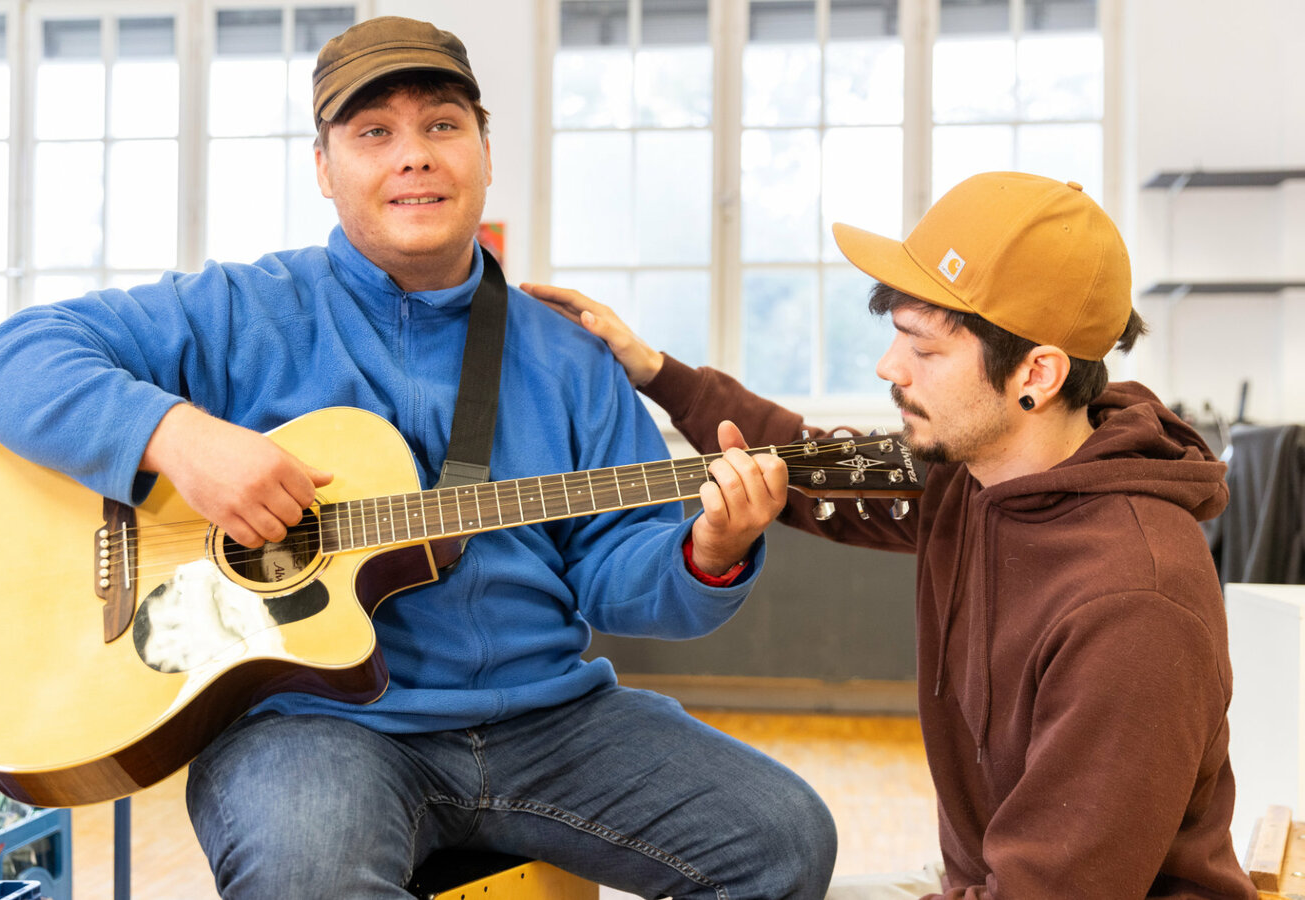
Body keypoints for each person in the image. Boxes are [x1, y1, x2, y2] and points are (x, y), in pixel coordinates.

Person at [0, 15, 838, 899]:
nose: (413, 155)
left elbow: (615, 572)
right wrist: (178, 438)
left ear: (486, 154)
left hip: (551, 718)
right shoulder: (238, 309)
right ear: (324, 168)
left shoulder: (572, 356)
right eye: (374, 132)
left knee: (785, 841)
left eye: (443, 125)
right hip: (310, 723)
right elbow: (11, 360)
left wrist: (707, 554)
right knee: (311, 876)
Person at [525, 171, 1257, 899]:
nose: (888, 367)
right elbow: (812, 462)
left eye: (925, 350)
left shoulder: (1132, 601)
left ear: (1038, 371)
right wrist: (654, 370)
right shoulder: (973, 475)